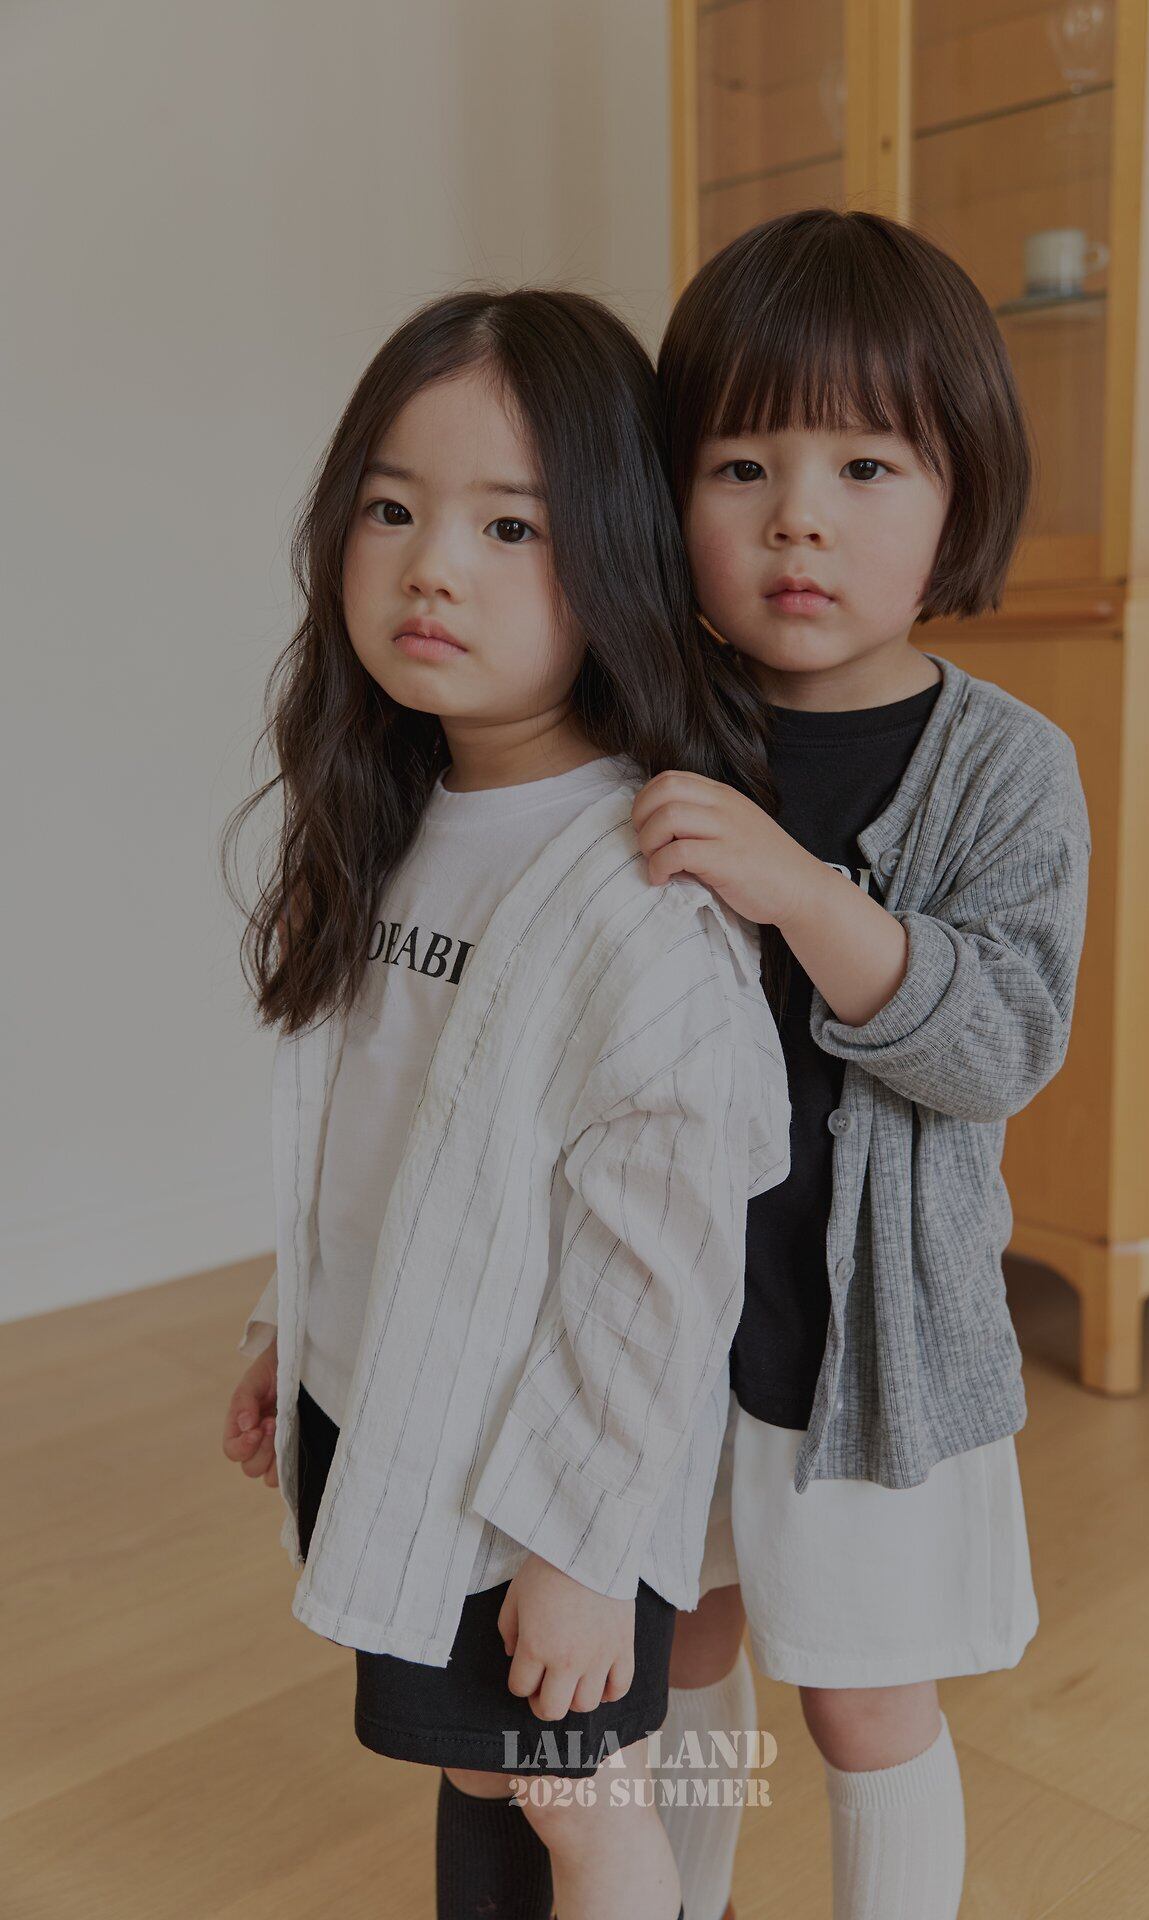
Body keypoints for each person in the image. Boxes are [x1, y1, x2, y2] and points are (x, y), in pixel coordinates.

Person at [217, 285, 792, 1920]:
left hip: (539, 1468)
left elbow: (658, 1269)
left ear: (614, 557)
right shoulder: (395, 822)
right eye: (392, 509)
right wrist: (287, 1328)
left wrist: (582, 1544)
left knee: (579, 1798)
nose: (432, 567)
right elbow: (364, 1142)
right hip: (400, 1402)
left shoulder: (635, 890)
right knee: (488, 1773)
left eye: (510, 527)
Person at [631, 208, 1091, 1920]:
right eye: (740, 465)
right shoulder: (648, 727)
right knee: (677, 1643)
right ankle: (675, 1898)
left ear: (960, 495)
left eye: (867, 466)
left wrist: (807, 895)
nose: (798, 518)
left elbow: (1000, 1045)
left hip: (871, 1351)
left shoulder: (1009, 769)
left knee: (865, 1700)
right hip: (663, 1317)